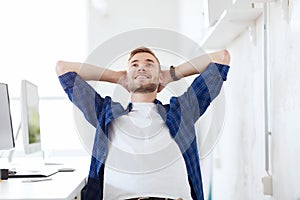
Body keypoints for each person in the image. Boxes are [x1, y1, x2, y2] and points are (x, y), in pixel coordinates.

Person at [56, 47, 230, 200]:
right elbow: (63, 68)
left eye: (149, 64)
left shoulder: (182, 111)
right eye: (134, 64)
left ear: (159, 75)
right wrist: (116, 77)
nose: (141, 67)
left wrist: (172, 74)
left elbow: (221, 58)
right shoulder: (105, 113)